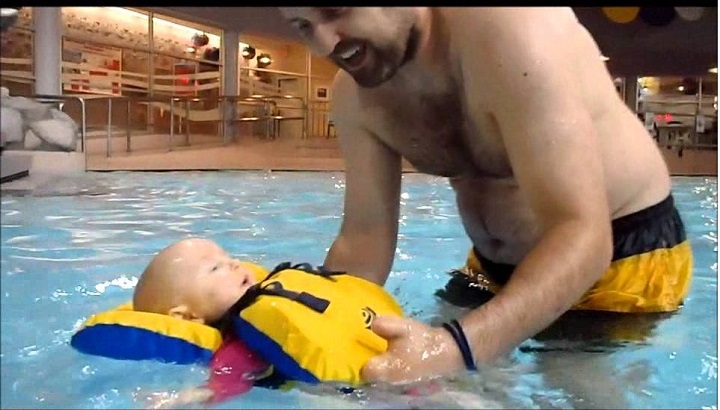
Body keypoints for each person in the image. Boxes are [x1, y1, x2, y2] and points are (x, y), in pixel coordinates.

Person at [278, 7, 693, 384]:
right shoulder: (357, 95)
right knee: (416, 371)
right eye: (303, 26)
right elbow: (363, 242)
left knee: (573, 381)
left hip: (621, 252)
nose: (325, 43)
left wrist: (455, 347)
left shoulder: (514, 30)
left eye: (336, 11)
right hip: (491, 266)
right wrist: (303, 334)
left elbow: (582, 233)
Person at [133, 237, 272, 407]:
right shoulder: (239, 344)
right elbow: (227, 382)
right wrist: (181, 399)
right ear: (188, 317)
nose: (235, 263)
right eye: (215, 268)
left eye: (228, 257)